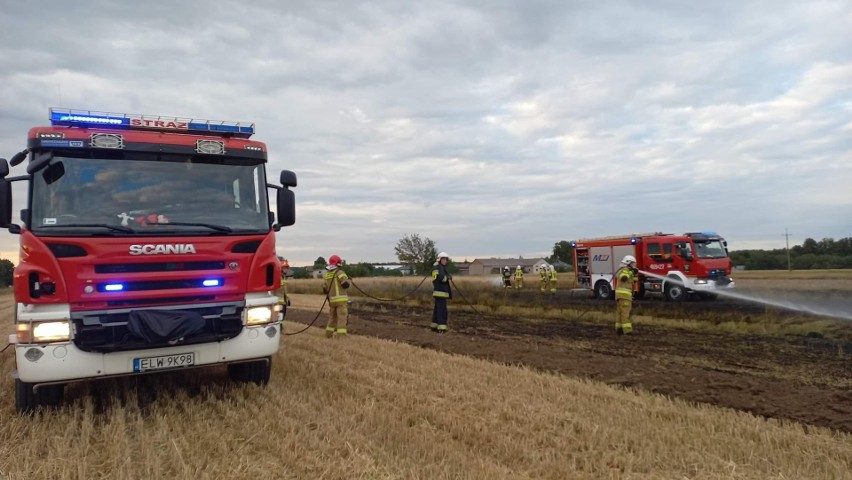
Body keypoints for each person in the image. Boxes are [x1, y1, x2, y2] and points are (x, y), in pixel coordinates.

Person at [323, 254, 351, 338]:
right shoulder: (340, 272)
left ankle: (328, 334)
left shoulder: (327, 275)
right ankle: (341, 335)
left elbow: (324, 289)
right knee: (342, 317)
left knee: (332, 318)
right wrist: (348, 280)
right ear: (338, 263)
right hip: (341, 300)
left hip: (332, 301)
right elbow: (345, 284)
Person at [614, 255, 638, 335]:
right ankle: (627, 331)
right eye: (633, 263)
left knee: (620, 313)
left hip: (621, 296)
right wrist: (632, 272)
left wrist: (635, 274)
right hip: (624, 296)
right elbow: (623, 277)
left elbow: (633, 281)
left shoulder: (627, 270)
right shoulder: (625, 270)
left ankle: (619, 329)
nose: (634, 265)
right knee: (625, 313)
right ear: (628, 263)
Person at [431, 252, 452, 333]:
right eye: (444, 259)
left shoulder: (437, 267)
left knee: (437, 310)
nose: (446, 261)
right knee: (442, 311)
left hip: (438, 292)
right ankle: (442, 328)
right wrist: (448, 277)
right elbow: (441, 278)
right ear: (440, 259)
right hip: (441, 292)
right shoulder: (440, 268)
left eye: (446, 259)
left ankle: (434, 325)